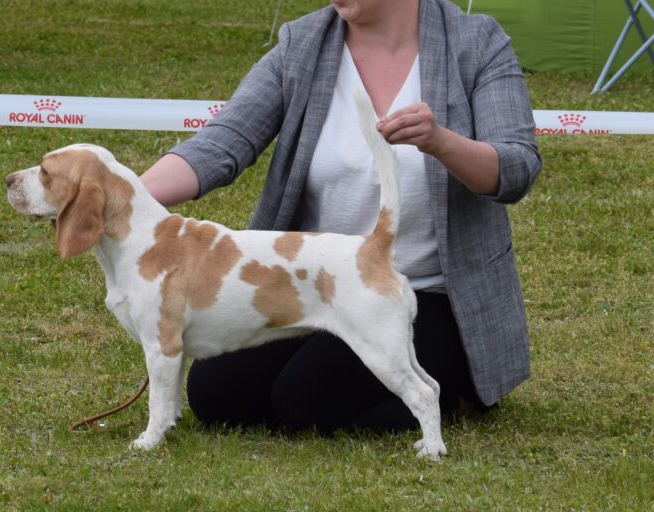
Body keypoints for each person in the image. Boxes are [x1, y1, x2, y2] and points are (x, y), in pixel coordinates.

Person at [139, 0, 541, 433]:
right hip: (312, 287)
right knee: (216, 395)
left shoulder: (477, 44)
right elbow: (223, 142)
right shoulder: (302, 44)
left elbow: (516, 168)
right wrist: (125, 199)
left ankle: (453, 392)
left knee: (305, 403)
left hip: (431, 295)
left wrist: (441, 142)